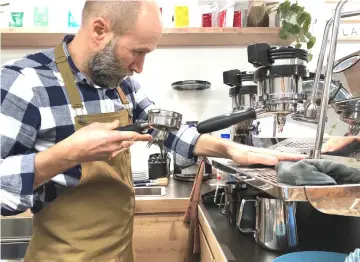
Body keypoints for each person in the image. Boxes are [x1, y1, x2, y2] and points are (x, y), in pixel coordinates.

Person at [0, 1, 305, 261]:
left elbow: (167, 130)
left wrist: (231, 150)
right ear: (99, 31)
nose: (140, 67)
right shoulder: (26, 82)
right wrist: (67, 154)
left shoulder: (120, 85)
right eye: (138, 51)